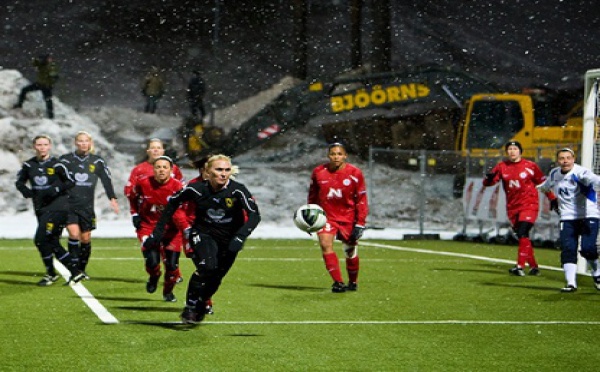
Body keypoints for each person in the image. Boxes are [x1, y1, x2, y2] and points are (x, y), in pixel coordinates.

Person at [144, 154, 260, 324]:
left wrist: (240, 236)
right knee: (207, 266)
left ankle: (201, 303)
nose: (223, 174)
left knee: (216, 278)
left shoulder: (237, 190)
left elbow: (254, 215)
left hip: (229, 239)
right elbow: (172, 203)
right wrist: (158, 231)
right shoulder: (196, 188)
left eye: (227, 170)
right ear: (208, 171)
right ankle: (190, 306)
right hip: (204, 234)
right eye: (219, 169)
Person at [15, 135, 85, 285]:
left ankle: (55, 273)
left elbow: (71, 181)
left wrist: (55, 189)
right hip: (41, 208)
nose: (42, 147)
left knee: (41, 239)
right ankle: (72, 271)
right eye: (39, 145)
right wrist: (26, 191)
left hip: (57, 207)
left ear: (49, 146)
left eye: (45, 144)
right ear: (34, 147)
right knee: (51, 241)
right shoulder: (29, 165)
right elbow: (19, 182)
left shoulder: (57, 164)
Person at [482, 140, 553, 276]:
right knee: (522, 236)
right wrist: (488, 179)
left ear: (520, 151)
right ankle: (533, 266)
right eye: (509, 149)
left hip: (529, 204)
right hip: (512, 207)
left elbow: (543, 183)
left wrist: (552, 198)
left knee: (522, 231)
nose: (512, 151)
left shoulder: (530, 166)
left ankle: (519, 266)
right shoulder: (502, 167)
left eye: (515, 149)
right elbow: (488, 183)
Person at [308, 142, 368, 293]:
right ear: (328, 156)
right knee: (325, 244)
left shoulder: (355, 173)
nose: (336, 157)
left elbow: (361, 200)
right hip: (327, 217)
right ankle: (338, 282)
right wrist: (312, 217)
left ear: (345, 156)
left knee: (350, 251)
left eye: (339, 154)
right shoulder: (318, 172)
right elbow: (312, 196)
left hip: (348, 217)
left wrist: (360, 223)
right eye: (333, 154)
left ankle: (353, 282)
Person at [538, 148, 600, 292]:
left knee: (588, 249)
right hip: (567, 217)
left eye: (568, 158)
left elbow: (594, 179)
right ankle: (571, 283)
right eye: (561, 158)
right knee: (568, 249)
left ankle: (597, 273)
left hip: (588, 215)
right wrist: (544, 193)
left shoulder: (581, 172)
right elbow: (546, 186)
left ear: (573, 159)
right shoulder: (554, 174)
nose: (565, 161)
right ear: (557, 160)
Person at [60, 131, 120, 279]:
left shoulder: (97, 161)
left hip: (87, 207)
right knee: (74, 234)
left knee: (85, 239)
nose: (83, 144)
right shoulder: (65, 161)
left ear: (90, 143)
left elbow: (106, 179)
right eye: (80, 141)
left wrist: (112, 198)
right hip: (69, 205)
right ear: (75, 143)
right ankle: (74, 269)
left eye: (86, 141)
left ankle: (81, 268)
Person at [129, 156, 187, 302]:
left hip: (172, 230)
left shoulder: (178, 187)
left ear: (171, 170)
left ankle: (168, 291)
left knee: (172, 265)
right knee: (153, 261)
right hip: (148, 226)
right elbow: (132, 197)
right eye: (158, 167)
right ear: (153, 169)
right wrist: (135, 214)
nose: (161, 170)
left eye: (165, 167)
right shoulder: (143, 183)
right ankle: (154, 277)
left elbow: (183, 211)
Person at [13, 54, 59, 119]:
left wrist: (52, 82)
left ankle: (50, 115)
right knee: (24, 90)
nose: (50, 60)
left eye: (50, 59)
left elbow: (54, 75)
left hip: (46, 86)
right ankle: (19, 104)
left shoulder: (52, 66)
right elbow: (34, 64)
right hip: (39, 84)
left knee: (48, 100)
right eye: (48, 59)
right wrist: (37, 59)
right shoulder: (42, 65)